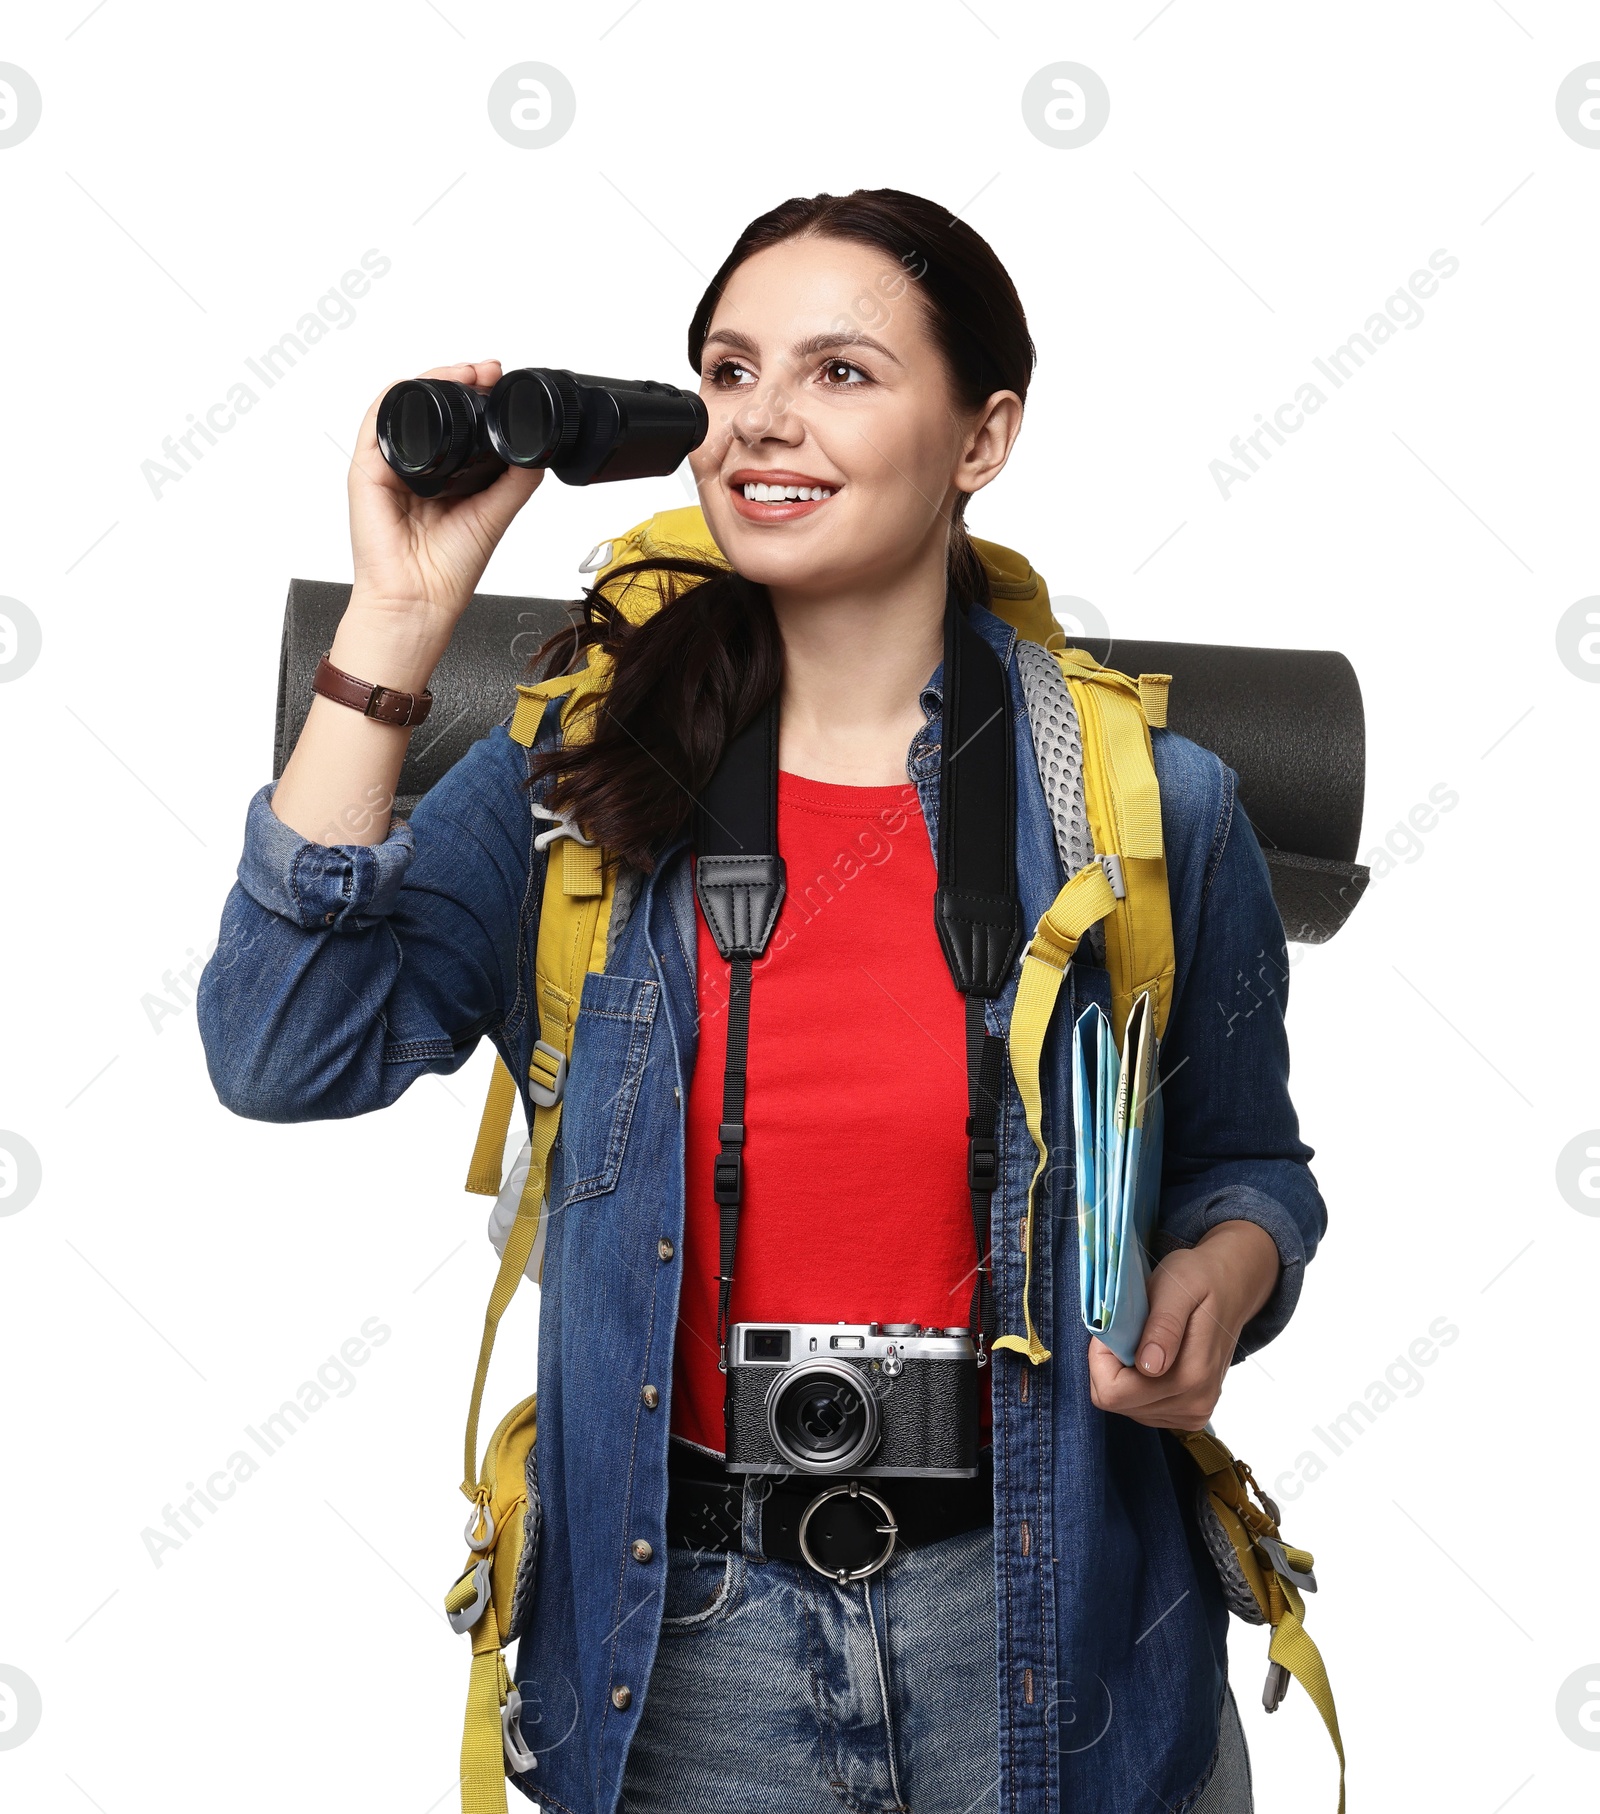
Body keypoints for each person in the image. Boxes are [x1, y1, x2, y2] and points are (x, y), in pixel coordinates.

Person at [197, 188, 1322, 1814]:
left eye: (842, 373)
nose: (760, 421)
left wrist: (1224, 1269)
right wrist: (398, 620)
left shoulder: (1144, 801)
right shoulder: (582, 782)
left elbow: (1253, 1167)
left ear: (982, 435)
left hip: (1053, 1627)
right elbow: (277, 1047)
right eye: (728, 371)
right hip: (688, 1647)